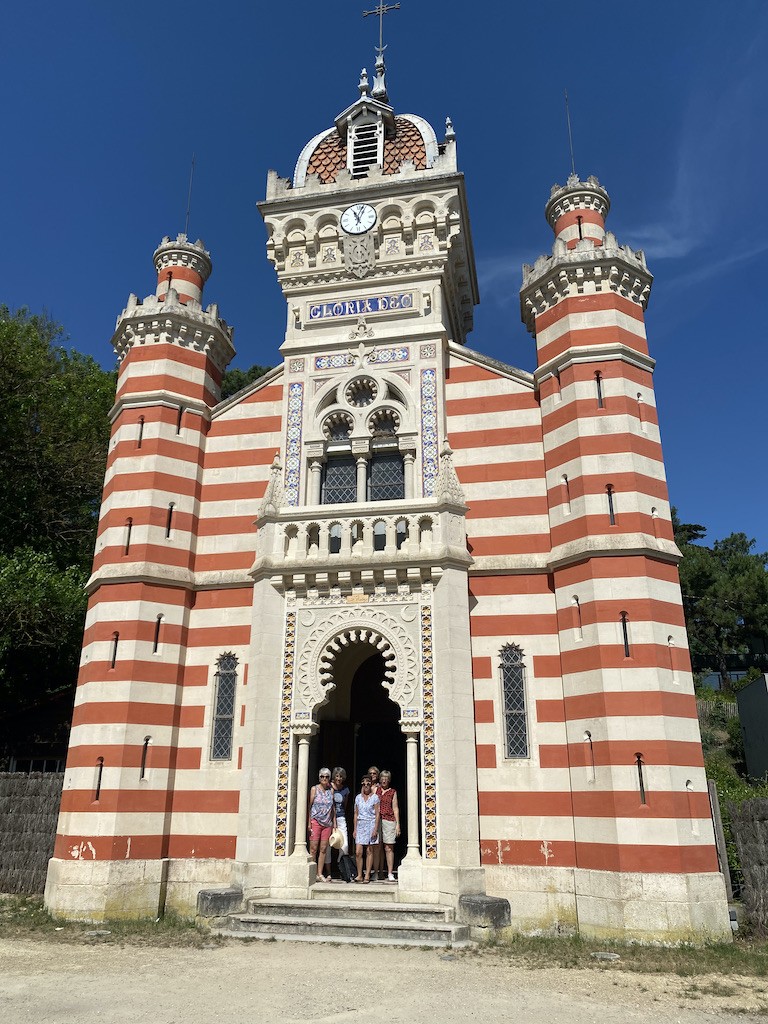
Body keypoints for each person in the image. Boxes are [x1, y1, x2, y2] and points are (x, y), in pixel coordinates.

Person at [308, 767, 335, 882]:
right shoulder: (314, 789)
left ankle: (320, 873)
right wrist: (309, 823)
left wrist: (334, 824)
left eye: (327, 777)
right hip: (315, 821)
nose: (324, 779)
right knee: (313, 849)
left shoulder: (331, 790)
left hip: (327, 823)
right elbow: (309, 806)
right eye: (322, 776)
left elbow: (333, 808)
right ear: (319, 777)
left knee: (323, 849)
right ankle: (312, 873)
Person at [353, 775, 380, 883]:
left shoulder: (375, 797)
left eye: (368, 783)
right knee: (358, 851)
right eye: (364, 783)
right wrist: (354, 829)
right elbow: (356, 813)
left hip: (371, 823)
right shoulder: (358, 798)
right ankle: (360, 874)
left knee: (369, 850)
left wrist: (375, 829)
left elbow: (377, 814)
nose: (366, 785)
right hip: (360, 824)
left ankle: (367, 874)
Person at [324, 767, 350, 874]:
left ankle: (341, 866)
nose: (339, 778)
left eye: (340, 776)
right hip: (328, 818)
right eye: (337, 776)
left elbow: (345, 805)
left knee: (345, 845)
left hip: (341, 817)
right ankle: (329, 872)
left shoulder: (345, 790)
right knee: (328, 845)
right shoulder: (329, 787)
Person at [377, 769, 400, 882]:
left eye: (386, 778)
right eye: (382, 777)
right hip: (377, 821)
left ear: (389, 780)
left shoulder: (392, 792)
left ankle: (390, 872)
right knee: (378, 847)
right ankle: (379, 872)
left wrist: (398, 824)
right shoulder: (376, 790)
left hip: (389, 820)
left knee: (388, 847)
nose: (384, 780)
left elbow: (395, 808)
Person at [367, 764, 383, 880]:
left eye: (374, 773)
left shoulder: (380, 788)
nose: (372, 775)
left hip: (377, 819)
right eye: (370, 773)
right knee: (368, 848)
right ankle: (367, 871)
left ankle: (377, 872)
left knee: (378, 846)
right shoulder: (365, 786)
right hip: (366, 820)